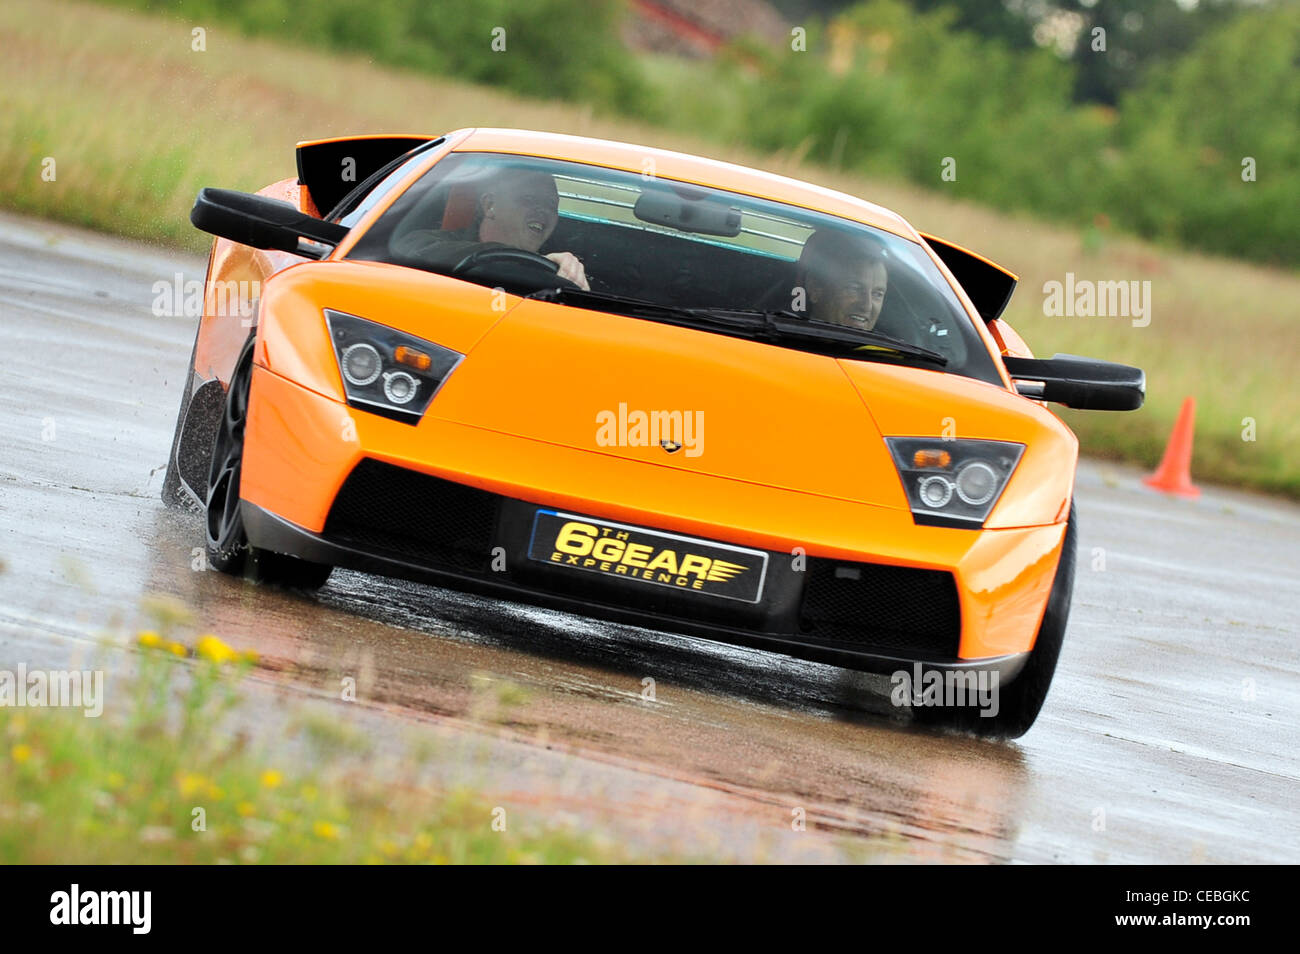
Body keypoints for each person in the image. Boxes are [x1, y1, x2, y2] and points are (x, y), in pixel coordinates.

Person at [396, 166, 589, 289]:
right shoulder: (429, 243)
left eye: (551, 204)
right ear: (490, 205)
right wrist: (529, 263)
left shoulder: (562, 269)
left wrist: (574, 282)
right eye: (529, 199)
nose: (543, 211)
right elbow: (406, 253)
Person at [794, 229, 888, 330]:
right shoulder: (781, 338)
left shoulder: (890, 345)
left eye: (877, 294)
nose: (867, 306)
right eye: (854, 289)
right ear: (815, 288)